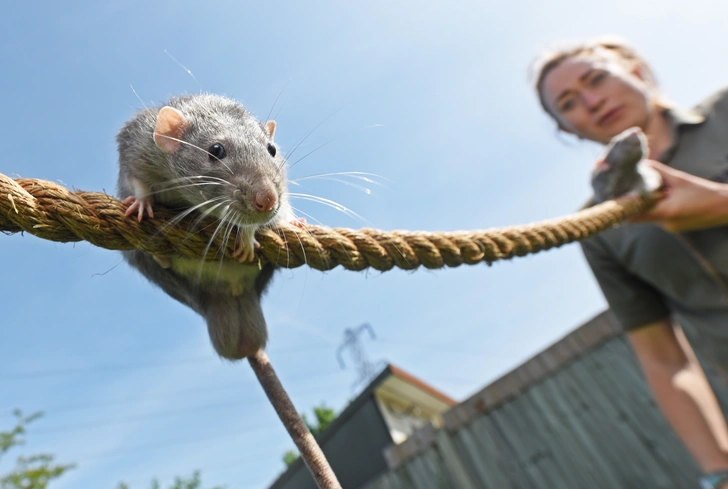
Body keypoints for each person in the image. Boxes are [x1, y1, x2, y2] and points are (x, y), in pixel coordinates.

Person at [531, 36, 728, 489]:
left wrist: (717, 204)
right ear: (569, 130)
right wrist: (718, 472)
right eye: (569, 103)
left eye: (596, 78)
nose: (592, 101)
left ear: (636, 70)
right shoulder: (599, 229)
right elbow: (665, 360)